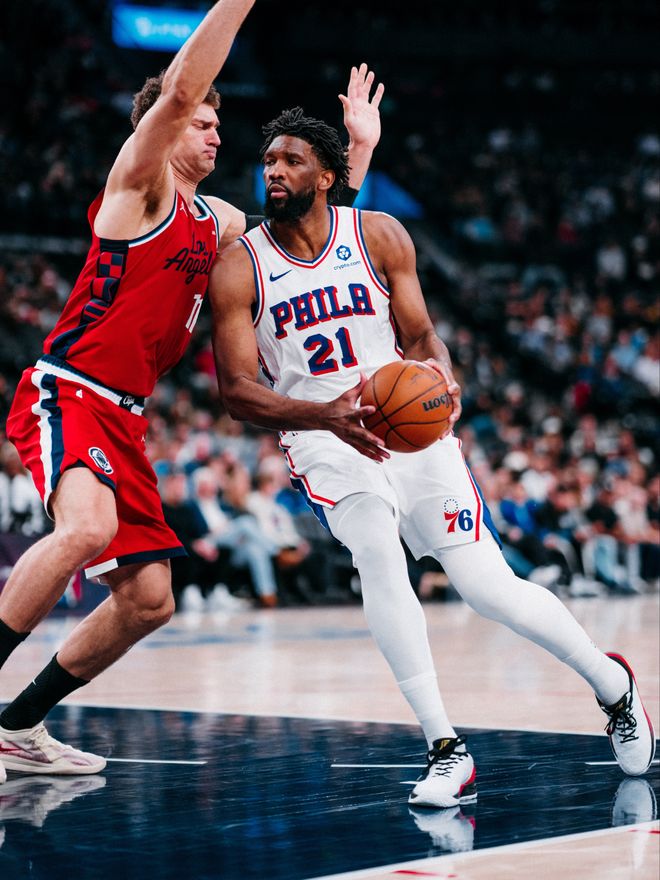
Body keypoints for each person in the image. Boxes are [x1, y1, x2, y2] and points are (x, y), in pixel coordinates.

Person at [208, 108, 656, 808]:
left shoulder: (380, 235)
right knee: (376, 550)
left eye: (291, 160)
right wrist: (326, 416)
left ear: (326, 176)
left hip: (411, 431)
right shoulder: (240, 265)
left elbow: (420, 336)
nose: (274, 171)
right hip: (324, 438)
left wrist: (440, 373)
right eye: (269, 160)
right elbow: (237, 391)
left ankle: (614, 686)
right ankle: (445, 747)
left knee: (487, 588)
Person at [0, 0, 384, 784]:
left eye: (218, 126)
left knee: (149, 601)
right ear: (167, 128)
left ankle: (16, 727)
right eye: (203, 123)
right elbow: (177, 91)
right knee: (85, 528)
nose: (215, 135)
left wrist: (358, 152)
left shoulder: (220, 224)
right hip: (71, 390)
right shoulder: (138, 187)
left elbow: (314, 241)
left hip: (126, 419)